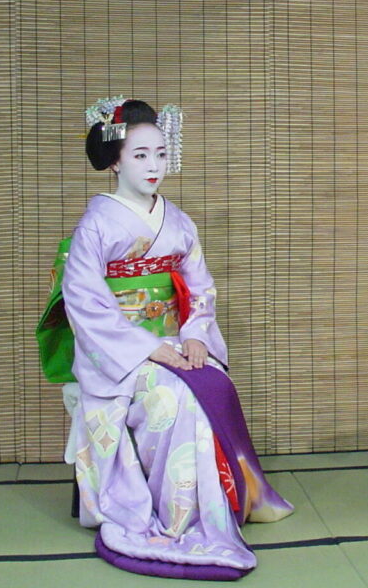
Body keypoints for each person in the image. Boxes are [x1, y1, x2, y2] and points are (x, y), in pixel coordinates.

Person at [37, 97, 292, 580]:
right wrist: (146, 347)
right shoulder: (96, 225)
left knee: (212, 380)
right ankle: (178, 515)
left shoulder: (177, 221)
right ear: (114, 160)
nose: (154, 166)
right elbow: (86, 303)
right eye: (139, 155)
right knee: (172, 398)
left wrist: (195, 335)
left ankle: (215, 505)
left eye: (160, 153)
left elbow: (200, 287)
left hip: (173, 340)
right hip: (121, 352)